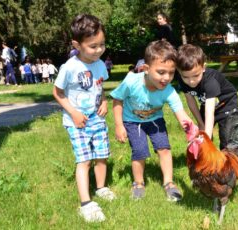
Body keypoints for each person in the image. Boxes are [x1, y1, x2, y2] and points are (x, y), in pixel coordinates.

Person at [110, 40, 192, 201]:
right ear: (147, 69)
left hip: (155, 121)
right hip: (132, 122)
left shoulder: (169, 91)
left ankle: (169, 183)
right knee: (140, 151)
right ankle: (138, 183)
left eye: (171, 73)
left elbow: (181, 113)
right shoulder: (131, 82)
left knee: (164, 149)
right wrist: (119, 125)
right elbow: (117, 100)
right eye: (161, 72)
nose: (166, 78)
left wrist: (191, 129)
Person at [53, 14, 115, 223]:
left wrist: (104, 102)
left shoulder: (99, 64)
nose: (99, 50)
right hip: (77, 121)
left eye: (102, 45)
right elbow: (57, 93)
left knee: (102, 154)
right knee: (84, 160)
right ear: (77, 45)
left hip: (97, 118)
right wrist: (74, 113)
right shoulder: (69, 67)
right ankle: (86, 203)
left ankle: (101, 187)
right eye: (93, 46)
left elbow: (100, 87)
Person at [176, 44, 238, 150]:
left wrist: (207, 138)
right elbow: (190, 101)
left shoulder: (210, 81)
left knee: (226, 137)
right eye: (186, 77)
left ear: (203, 67)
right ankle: (207, 157)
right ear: (179, 71)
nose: (191, 81)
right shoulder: (182, 80)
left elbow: (210, 113)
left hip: (226, 104)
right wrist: (200, 124)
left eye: (196, 75)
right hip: (207, 104)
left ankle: (226, 159)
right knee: (201, 131)